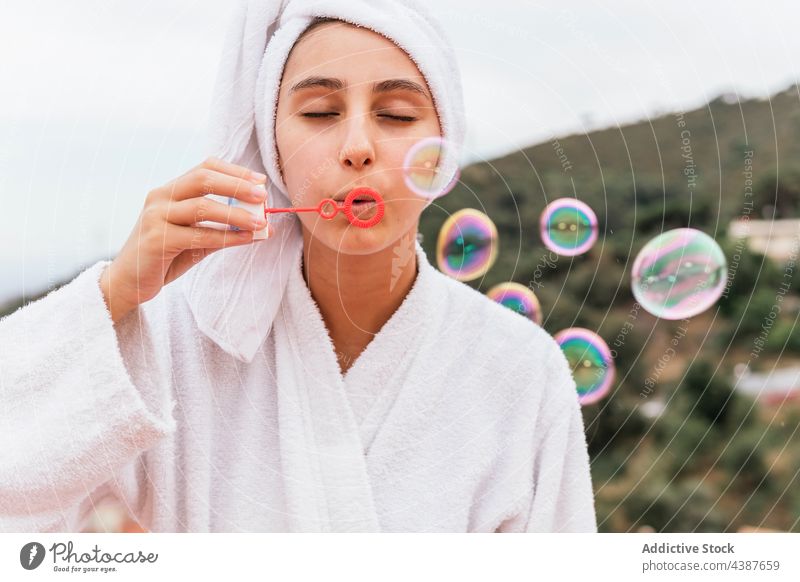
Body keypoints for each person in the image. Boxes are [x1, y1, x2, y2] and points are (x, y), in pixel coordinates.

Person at [0, 1, 597, 533]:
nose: (358, 145)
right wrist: (114, 294)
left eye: (395, 114)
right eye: (318, 112)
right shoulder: (166, 340)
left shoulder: (520, 368)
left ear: (442, 147)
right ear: (272, 141)